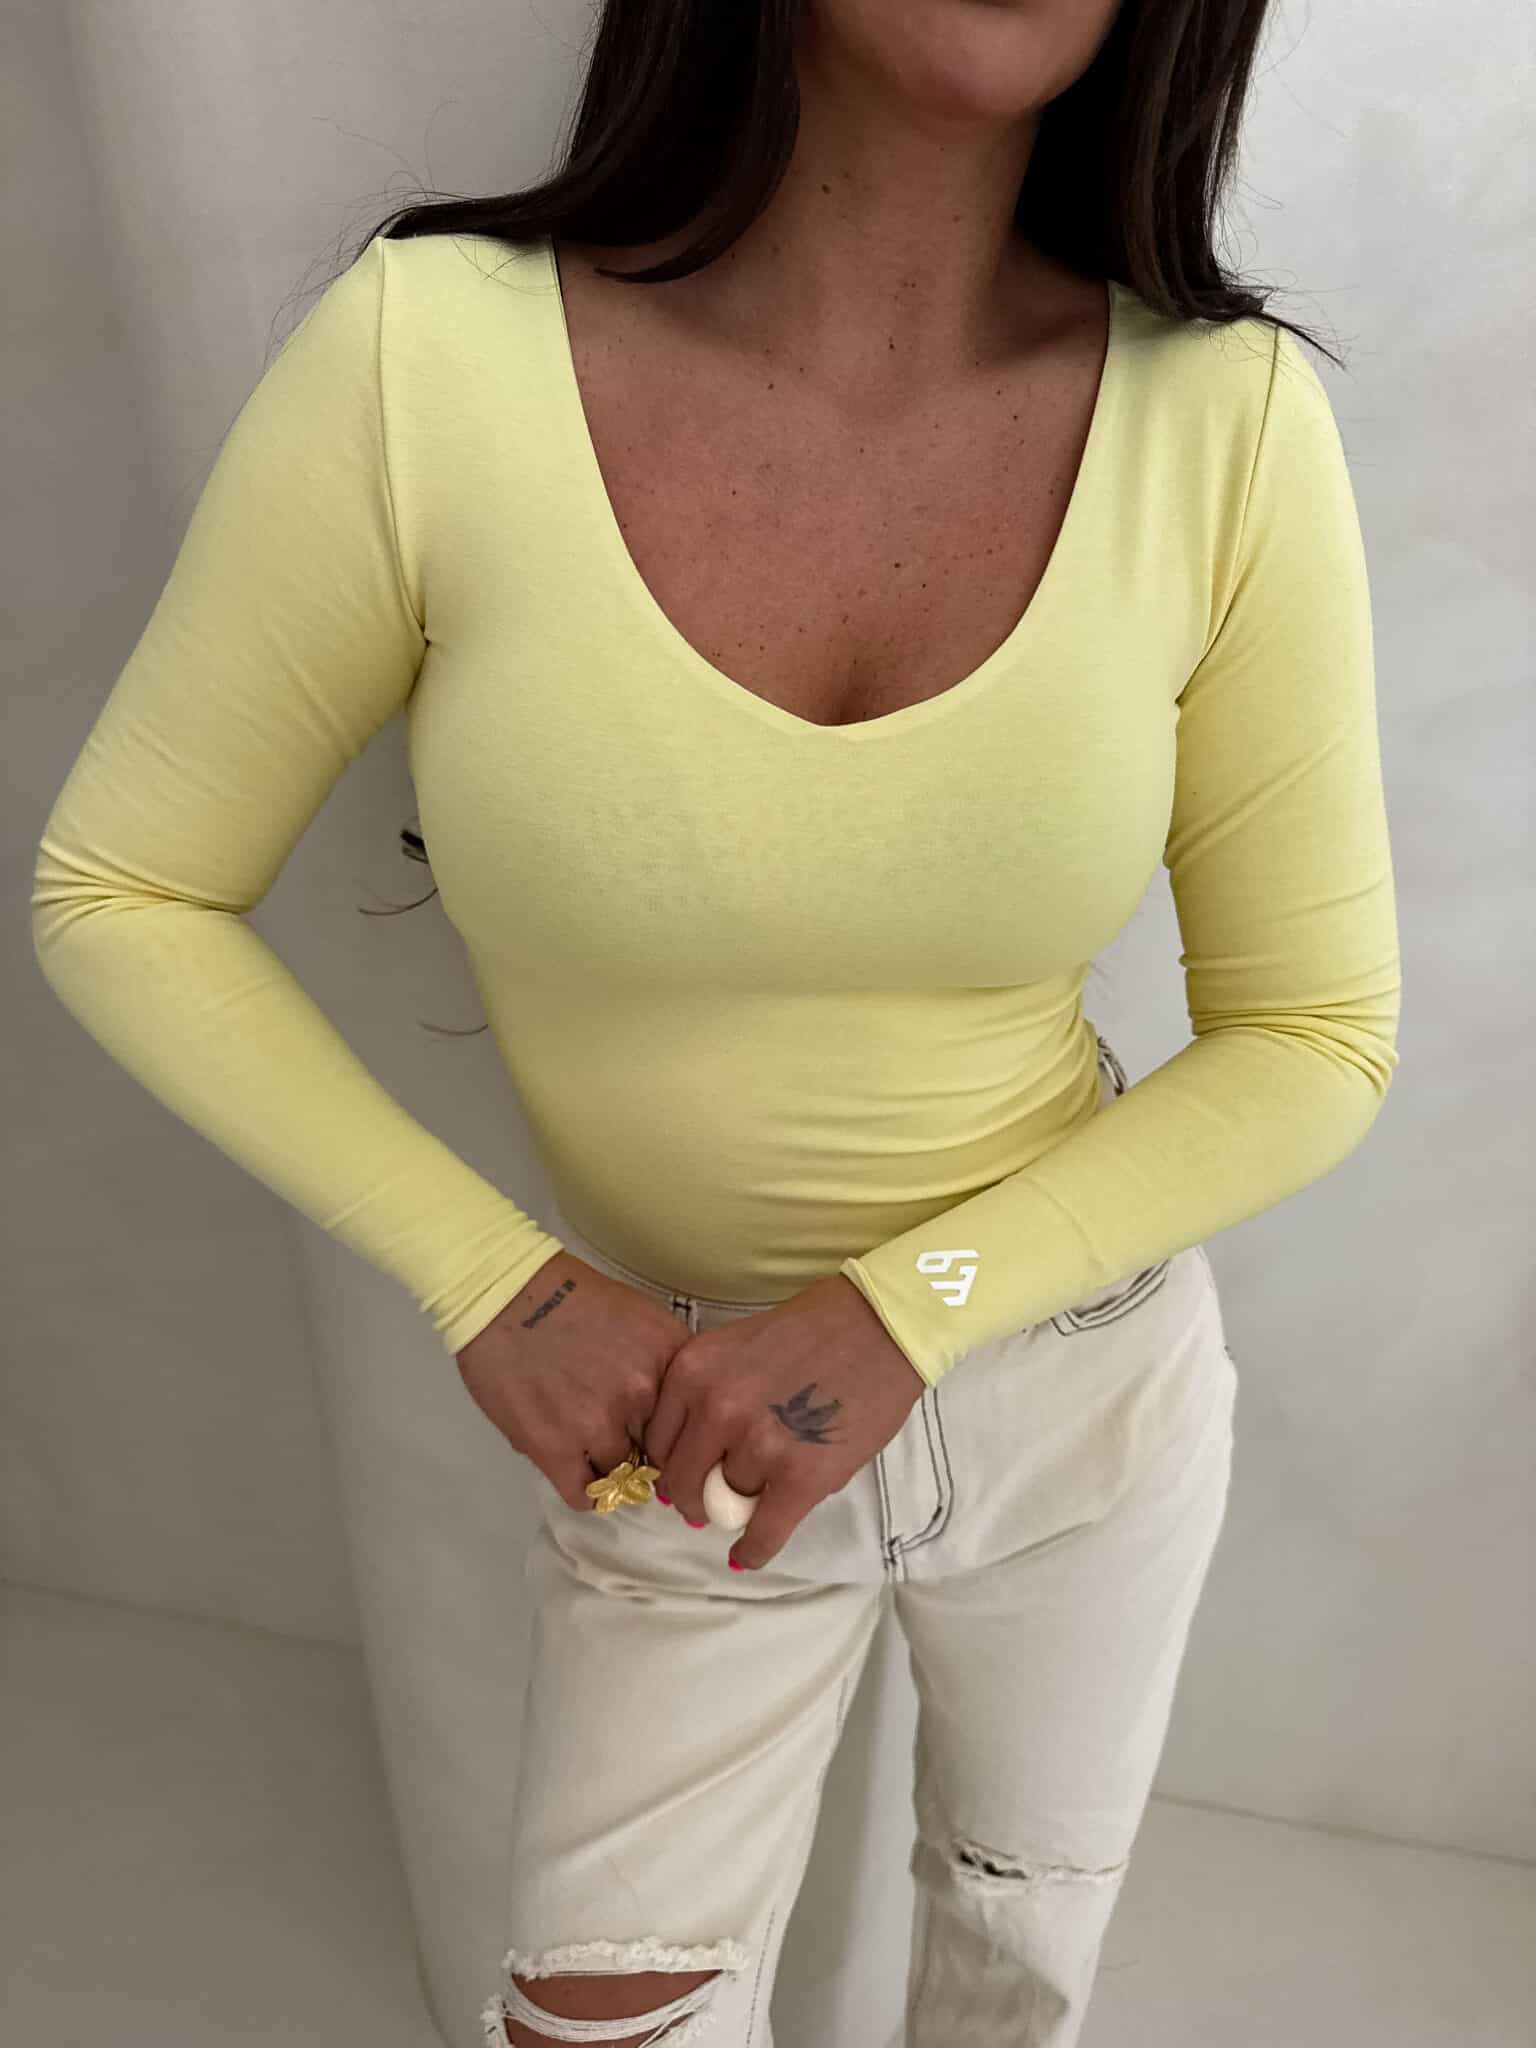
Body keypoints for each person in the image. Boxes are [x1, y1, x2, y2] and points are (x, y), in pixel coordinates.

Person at [29, 0, 1401, 2042]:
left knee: (1014, 1981)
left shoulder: (1226, 419)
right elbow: (124, 891)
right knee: (599, 2017)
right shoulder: (431, 358)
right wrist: (494, 1281)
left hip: (1077, 1386)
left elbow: (1313, 1033)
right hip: (679, 1439)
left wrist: (911, 1308)